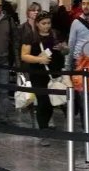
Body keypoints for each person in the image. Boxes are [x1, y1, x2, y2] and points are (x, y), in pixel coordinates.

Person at [19, 11, 65, 139]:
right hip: (38, 73)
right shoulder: (31, 37)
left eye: (48, 23)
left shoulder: (55, 34)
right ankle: (43, 129)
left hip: (54, 72)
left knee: (51, 102)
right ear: (37, 24)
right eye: (43, 23)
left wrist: (63, 48)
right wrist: (39, 60)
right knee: (43, 100)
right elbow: (24, 56)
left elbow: (66, 50)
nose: (46, 26)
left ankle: (46, 124)